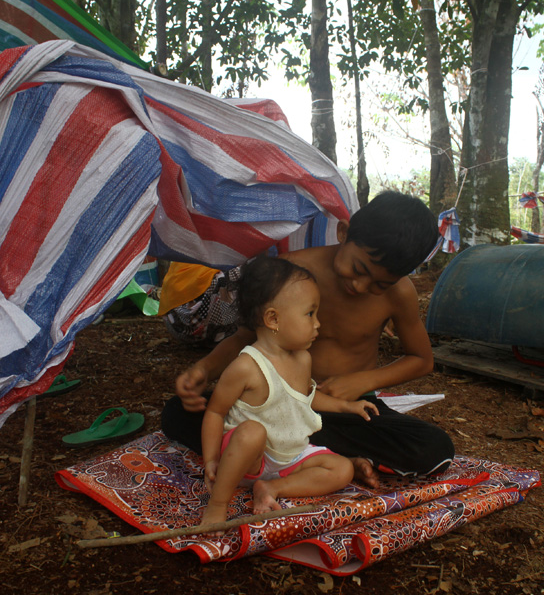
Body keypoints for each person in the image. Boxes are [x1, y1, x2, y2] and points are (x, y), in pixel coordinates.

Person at [163, 190, 454, 485]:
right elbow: (244, 338)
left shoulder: (399, 293)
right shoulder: (291, 274)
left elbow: (421, 359)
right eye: (358, 269)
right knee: (178, 413)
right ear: (344, 232)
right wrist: (205, 369)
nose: (361, 285)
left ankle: (293, 455)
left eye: (381, 283)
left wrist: (364, 381)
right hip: (276, 405)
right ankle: (321, 458)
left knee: (435, 448)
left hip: (347, 410)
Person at [200, 256, 378, 525]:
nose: (318, 323)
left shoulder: (303, 358)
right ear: (273, 319)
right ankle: (217, 504)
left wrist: (346, 406)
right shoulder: (246, 366)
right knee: (252, 432)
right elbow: (215, 411)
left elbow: (304, 397)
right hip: (249, 461)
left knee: (342, 469)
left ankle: (272, 488)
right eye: (310, 314)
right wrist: (212, 460)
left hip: (290, 457)